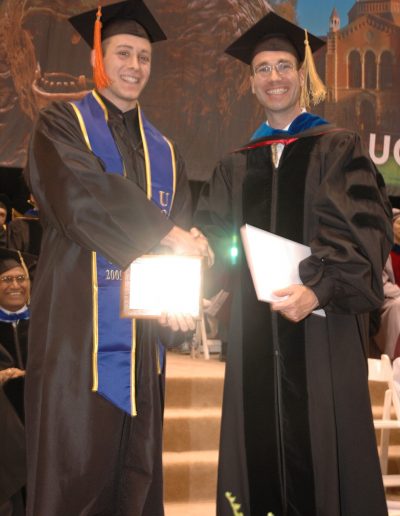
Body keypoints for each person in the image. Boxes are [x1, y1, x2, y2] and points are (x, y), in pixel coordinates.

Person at [194, 11, 393, 516]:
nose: (274, 77)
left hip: (323, 326)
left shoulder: (338, 147)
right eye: (262, 69)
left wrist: (318, 289)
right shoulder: (237, 163)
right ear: (251, 82)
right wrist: (196, 253)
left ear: (302, 75)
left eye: (284, 66)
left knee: (323, 449)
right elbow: (216, 238)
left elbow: (366, 232)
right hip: (256, 332)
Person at [23, 1, 212, 515]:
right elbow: (82, 197)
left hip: (141, 345)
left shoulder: (166, 151)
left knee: (135, 472)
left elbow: (175, 247)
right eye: (123, 53)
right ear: (97, 58)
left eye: (144, 57)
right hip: (75, 336)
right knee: (74, 466)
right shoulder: (60, 124)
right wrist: (169, 233)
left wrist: (177, 307)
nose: (134, 66)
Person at [0, 248, 36, 516]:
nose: (15, 285)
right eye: (6, 279)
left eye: (21, 278)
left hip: (41, 423)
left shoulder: (47, 323)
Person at [375, 208, 400, 359]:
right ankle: (393, 356)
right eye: (399, 223)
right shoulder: (384, 251)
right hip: (388, 300)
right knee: (398, 306)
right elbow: (382, 283)